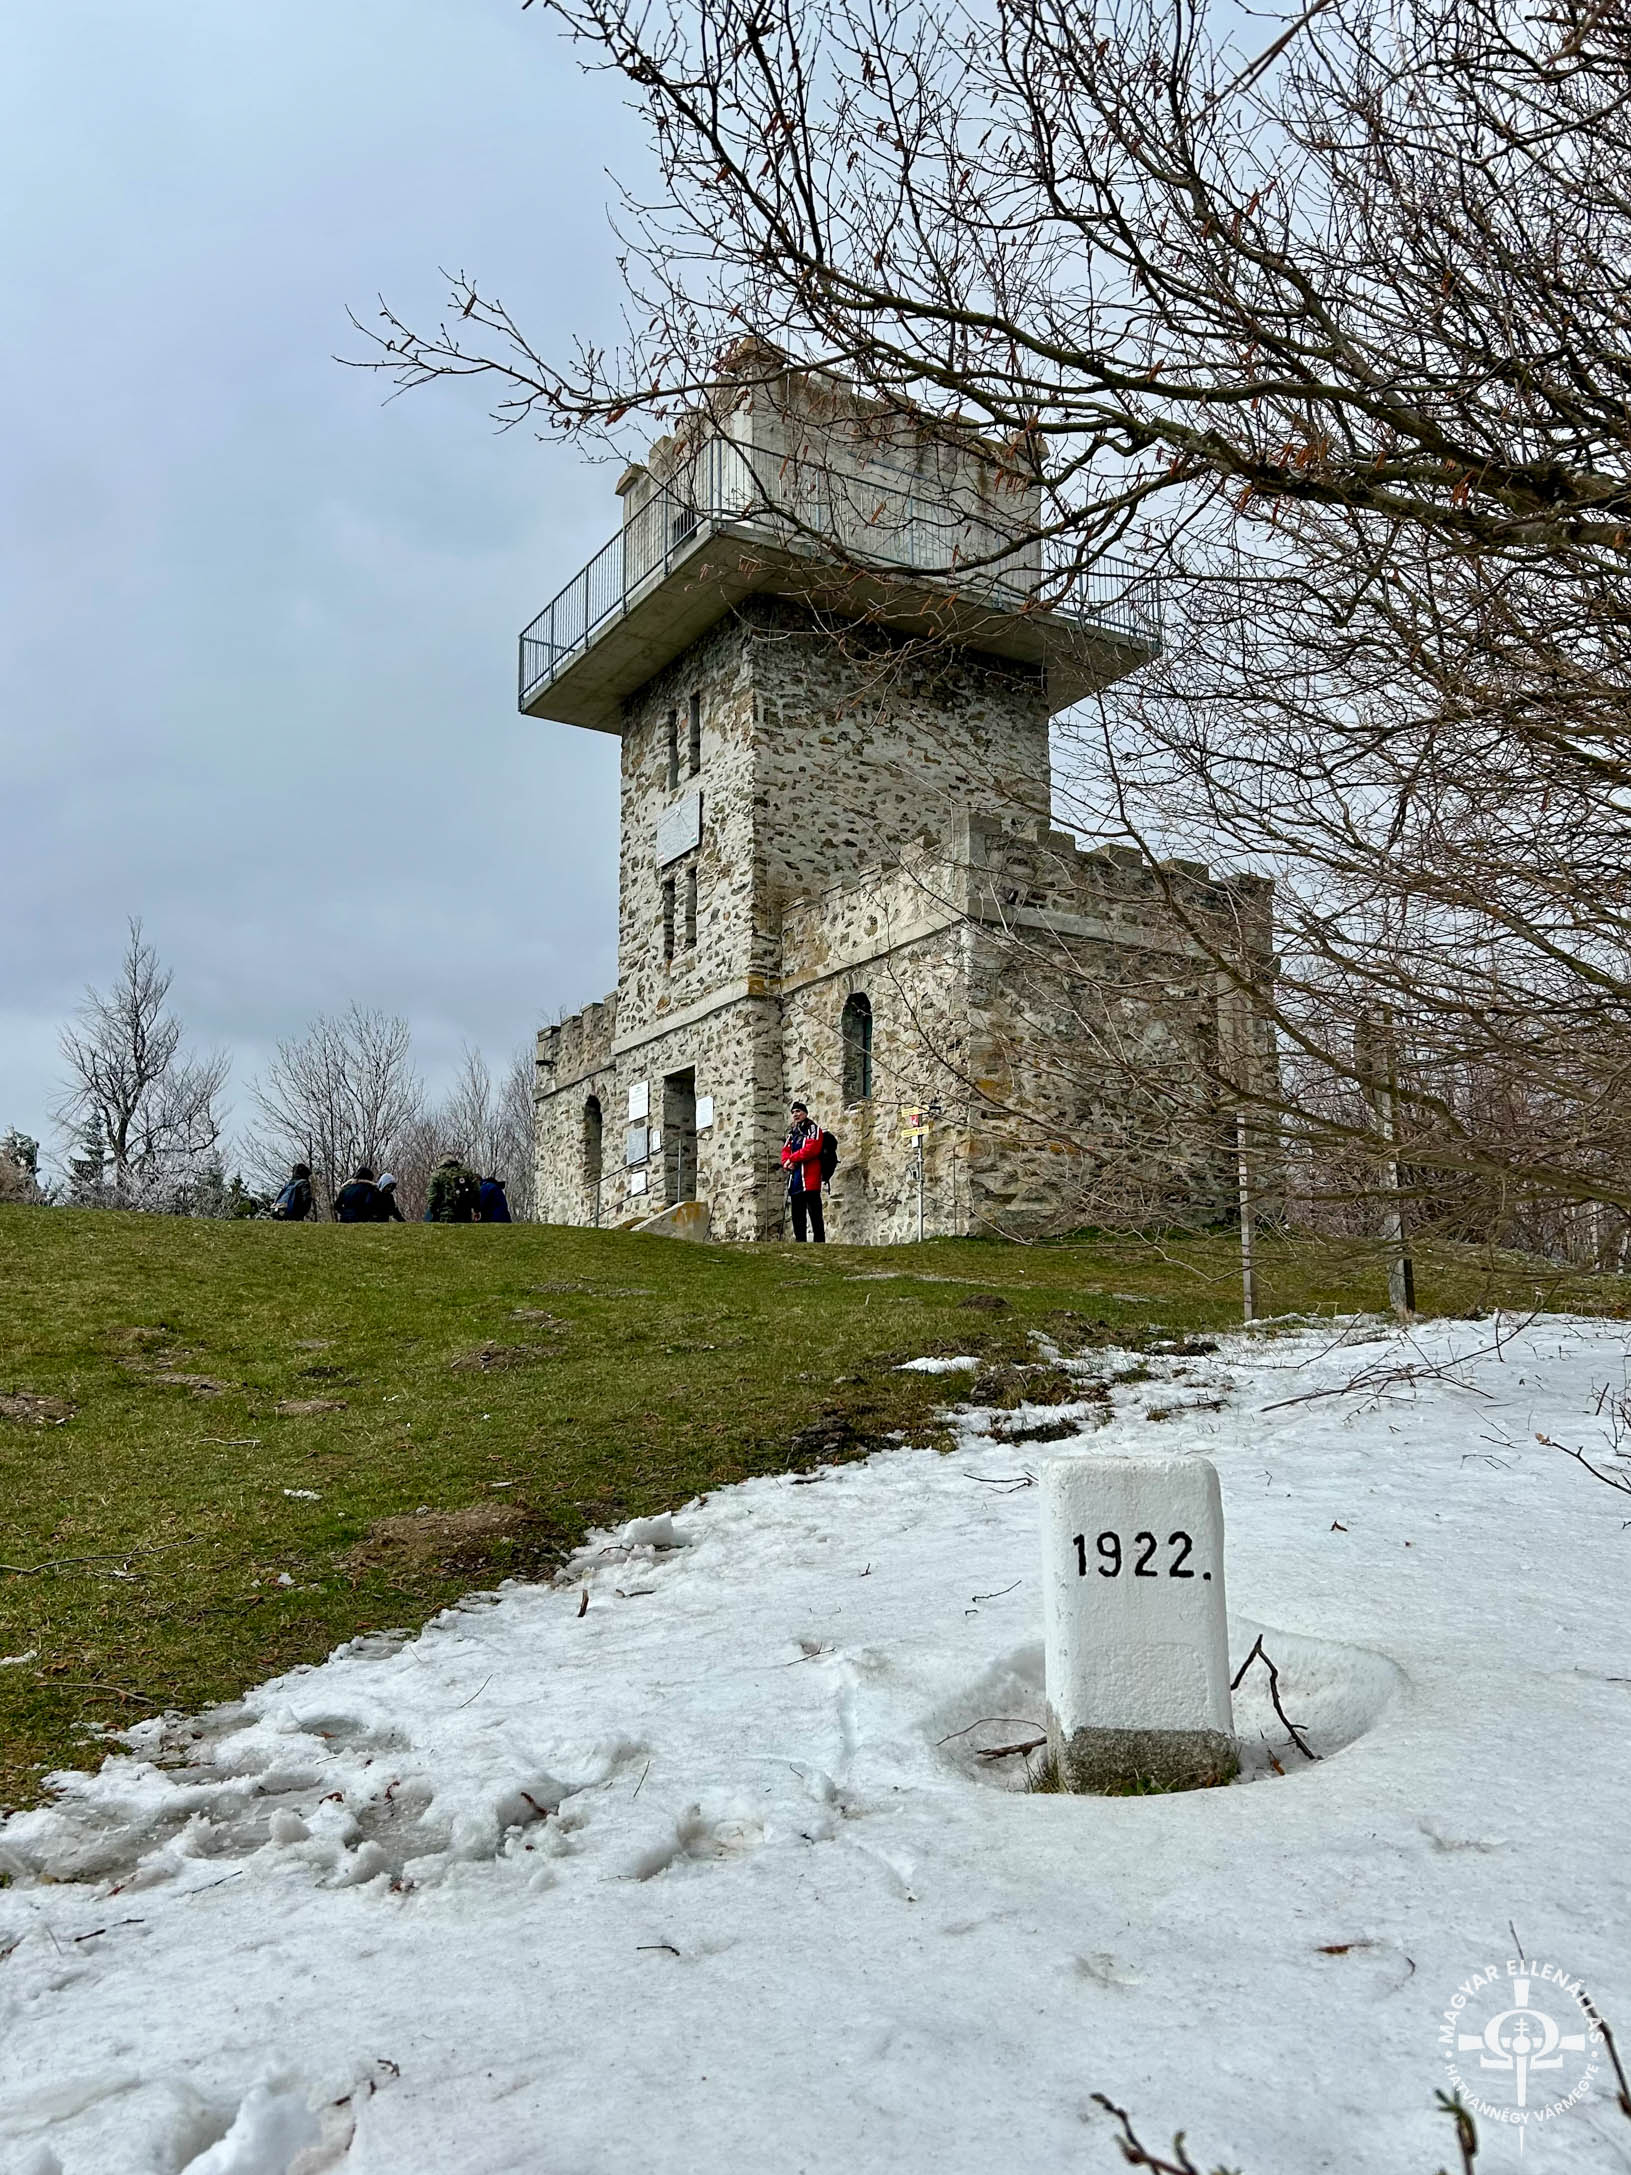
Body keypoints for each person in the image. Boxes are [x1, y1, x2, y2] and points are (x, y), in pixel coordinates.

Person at [781, 1100, 826, 1242]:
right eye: (793, 1112)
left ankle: (819, 1241)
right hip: (795, 1180)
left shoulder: (813, 1129)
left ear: (805, 1113)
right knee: (797, 1213)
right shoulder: (792, 1133)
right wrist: (786, 1163)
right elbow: (785, 1150)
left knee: (815, 1213)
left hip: (810, 1179)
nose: (796, 1115)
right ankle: (800, 1241)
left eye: (798, 1111)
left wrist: (792, 1159)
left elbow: (812, 1149)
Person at [424, 1152, 481, 1224]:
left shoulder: (437, 1174)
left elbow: (432, 1197)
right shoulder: (467, 1173)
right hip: (465, 1212)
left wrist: (434, 1211)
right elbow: (476, 1192)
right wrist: (477, 1209)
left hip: (445, 1214)